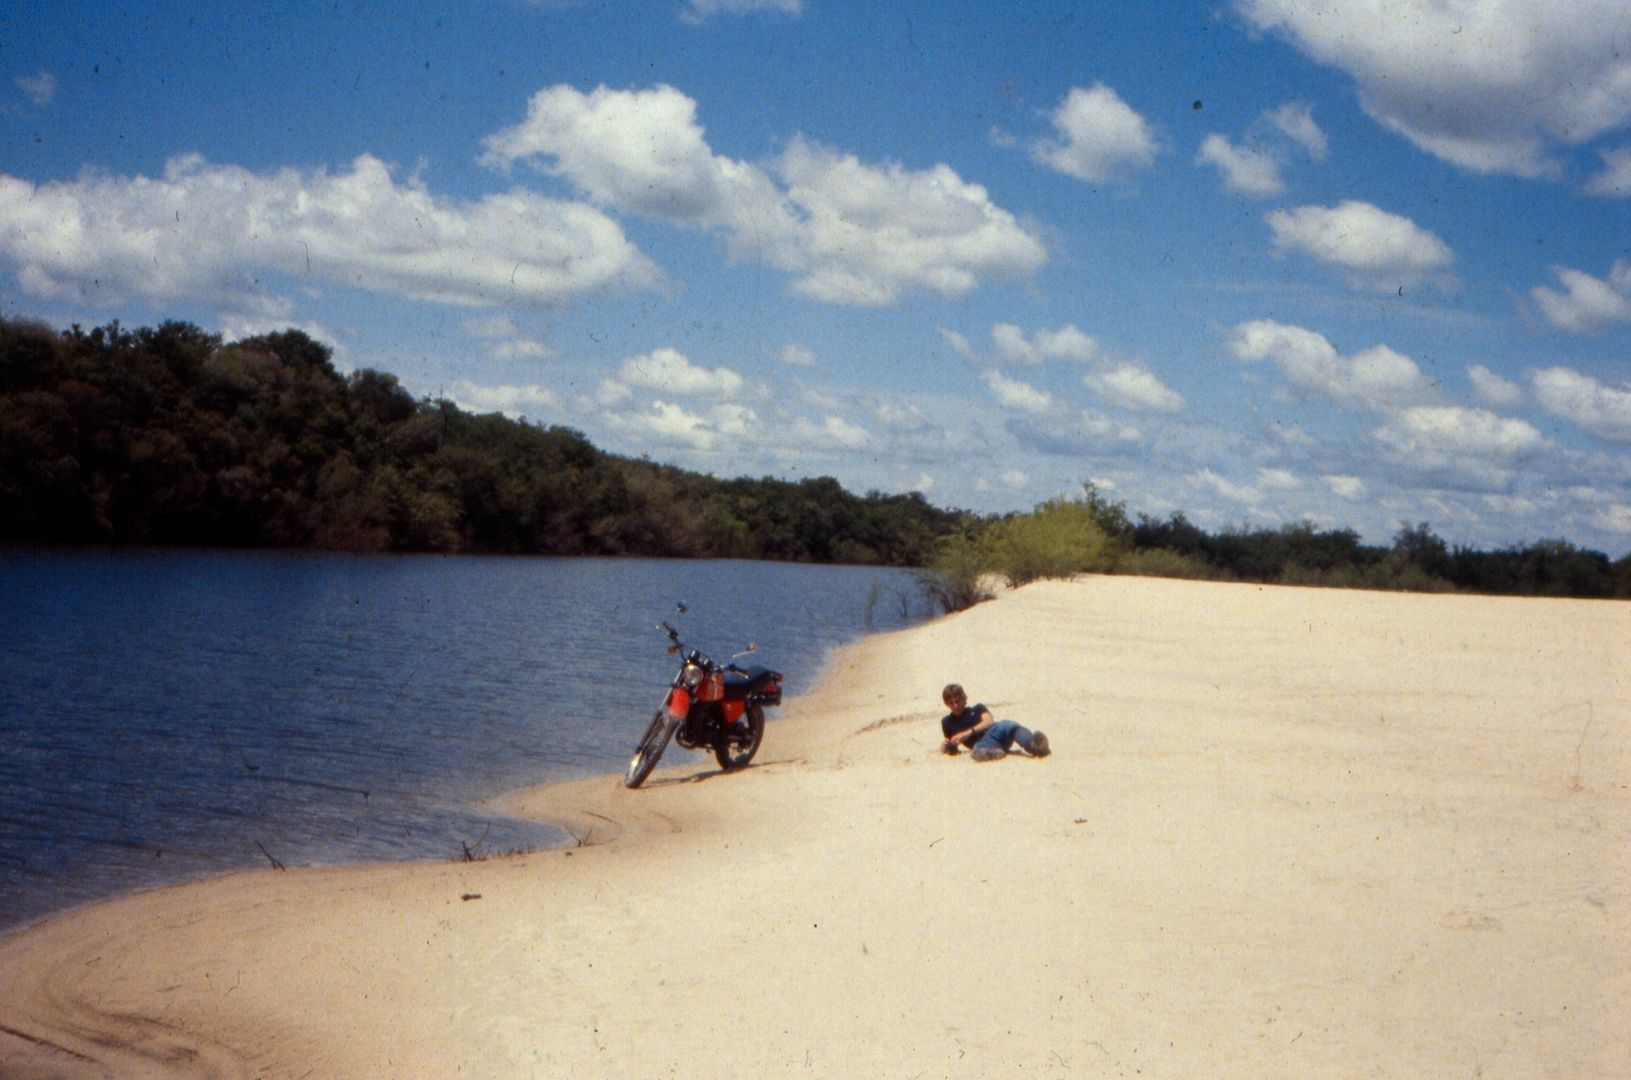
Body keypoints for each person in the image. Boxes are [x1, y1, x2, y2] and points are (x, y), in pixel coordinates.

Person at [939, 683, 1050, 762]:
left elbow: (989, 721)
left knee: (1008, 725)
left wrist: (968, 733)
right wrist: (946, 747)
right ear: (947, 704)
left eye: (958, 701)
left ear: (964, 699)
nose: (955, 706)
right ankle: (995, 753)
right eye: (951, 703)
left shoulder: (977, 708)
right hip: (982, 743)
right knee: (978, 749)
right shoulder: (947, 722)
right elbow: (952, 748)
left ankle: (1035, 746)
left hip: (996, 731)